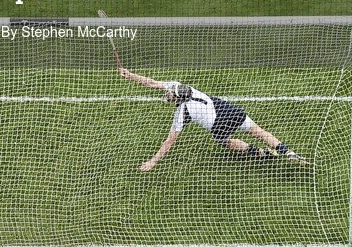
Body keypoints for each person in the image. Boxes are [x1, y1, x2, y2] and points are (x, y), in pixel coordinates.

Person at [118, 66, 307, 169]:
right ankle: (287, 151)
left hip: (220, 123)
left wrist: (153, 162)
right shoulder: (182, 86)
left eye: (169, 95)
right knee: (258, 131)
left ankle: (261, 153)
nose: (167, 94)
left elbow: (169, 142)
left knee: (223, 141)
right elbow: (152, 83)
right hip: (230, 110)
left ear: (178, 98)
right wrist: (130, 75)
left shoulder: (182, 113)